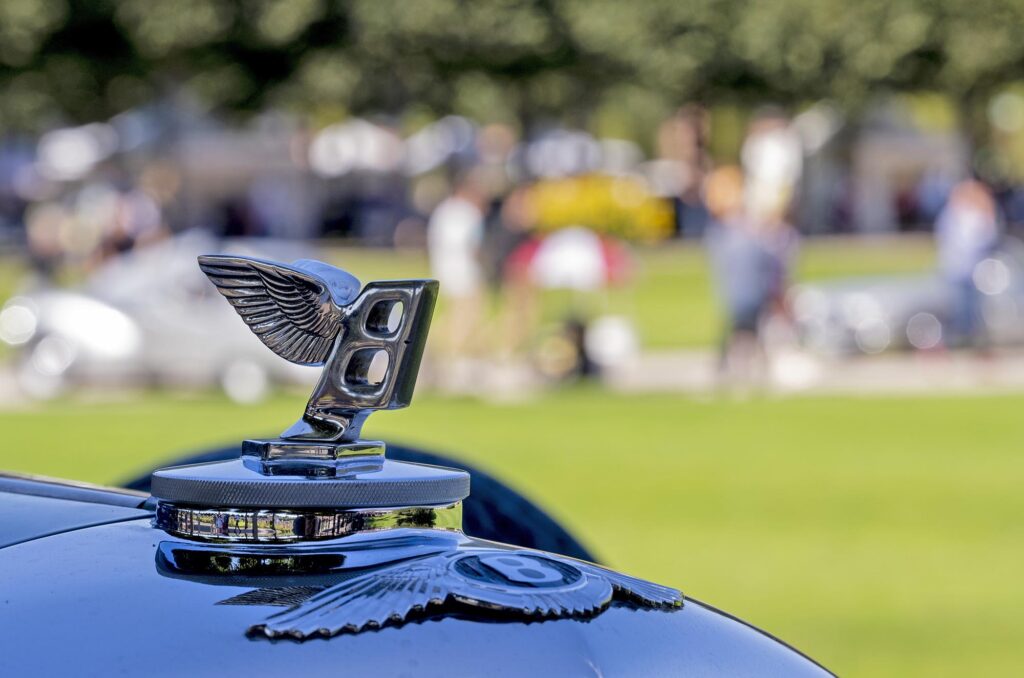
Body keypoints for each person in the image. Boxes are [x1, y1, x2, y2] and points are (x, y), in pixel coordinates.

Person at [704, 166, 777, 387]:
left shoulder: (731, 233)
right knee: (743, 332)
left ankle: (738, 369)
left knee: (744, 331)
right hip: (743, 292)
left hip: (742, 293)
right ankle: (739, 369)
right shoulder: (734, 232)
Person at [426, 170, 488, 370]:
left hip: (443, 265)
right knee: (467, 312)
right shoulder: (469, 212)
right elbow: (472, 245)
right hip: (464, 267)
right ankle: (450, 355)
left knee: (454, 312)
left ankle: (436, 350)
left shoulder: (443, 210)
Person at [935, 179, 1000, 349]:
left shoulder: (979, 215)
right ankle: (961, 339)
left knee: (973, 308)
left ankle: (973, 339)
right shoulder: (952, 214)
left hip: (973, 269)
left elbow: (987, 237)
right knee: (959, 307)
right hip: (957, 268)